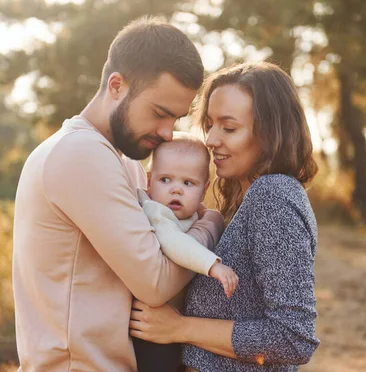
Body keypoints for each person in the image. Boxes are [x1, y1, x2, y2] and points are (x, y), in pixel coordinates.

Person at [12, 17, 225, 372]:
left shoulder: (123, 164)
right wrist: (211, 225)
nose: (168, 133)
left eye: (176, 118)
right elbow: (155, 282)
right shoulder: (79, 154)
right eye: (159, 113)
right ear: (116, 85)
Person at [130, 62, 321, 371]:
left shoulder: (273, 196)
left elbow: (293, 338)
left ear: (269, 133)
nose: (211, 139)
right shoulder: (244, 198)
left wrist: (181, 328)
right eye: (210, 124)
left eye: (229, 128)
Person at [133, 133, 239, 372]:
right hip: (149, 330)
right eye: (166, 180)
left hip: (171, 322)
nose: (176, 190)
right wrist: (213, 265)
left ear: (204, 191)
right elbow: (174, 243)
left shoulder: (193, 216)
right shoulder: (155, 211)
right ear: (149, 182)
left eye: (188, 183)